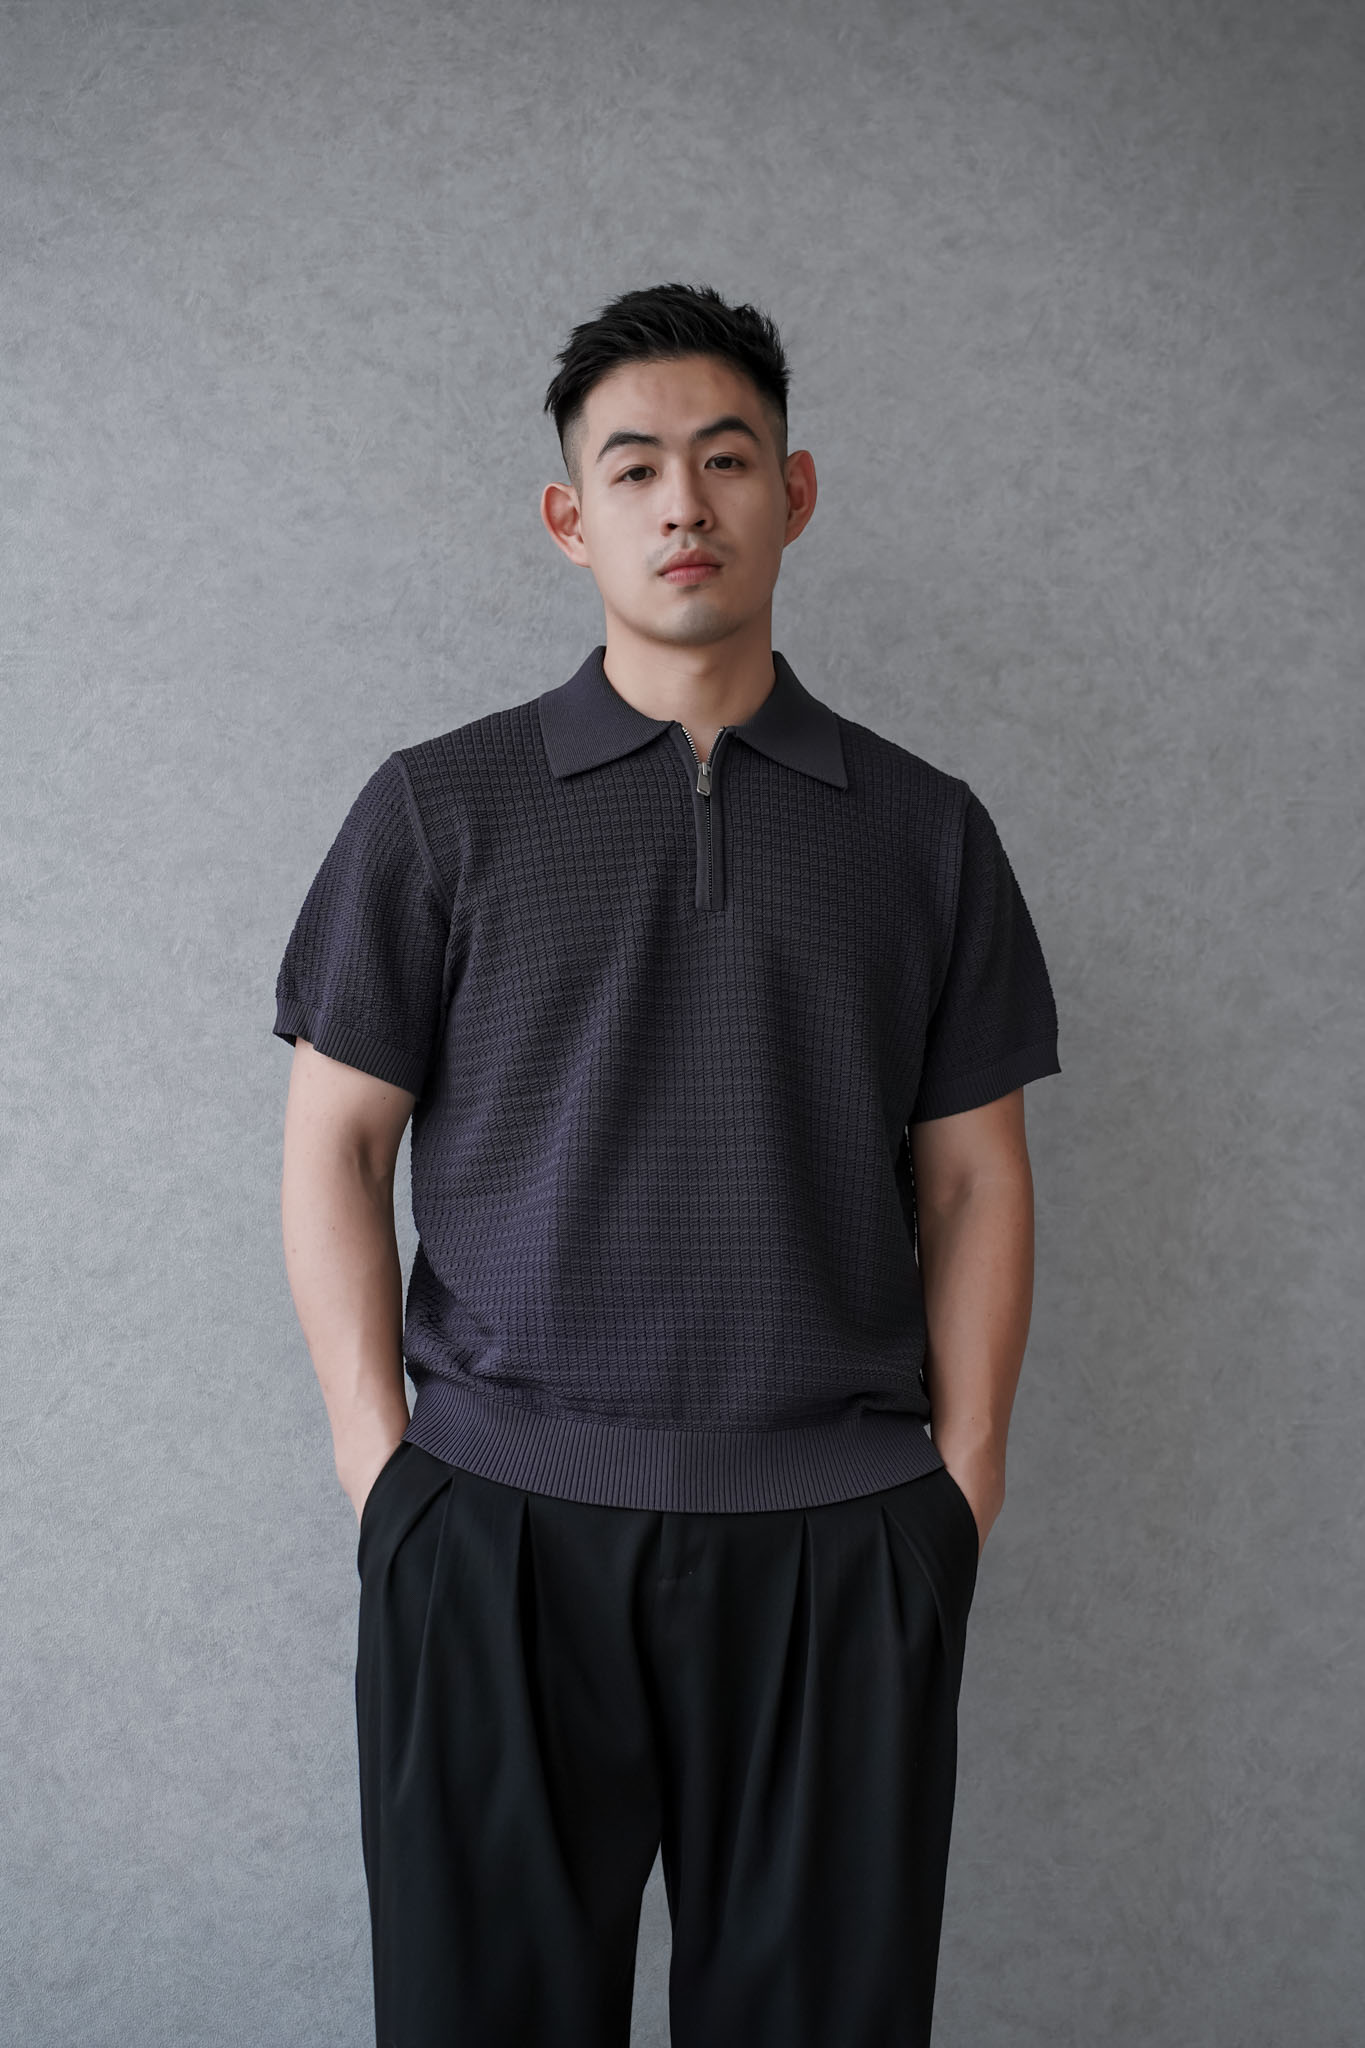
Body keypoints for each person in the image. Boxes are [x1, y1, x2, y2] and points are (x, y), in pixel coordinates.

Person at [273, 280, 1061, 2048]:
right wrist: (382, 1477)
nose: (682, 504)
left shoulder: (925, 833)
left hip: (838, 1543)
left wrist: (959, 1489)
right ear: (573, 519)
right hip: (494, 1530)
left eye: (725, 459)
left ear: (794, 491)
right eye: (634, 469)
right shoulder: (439, 808)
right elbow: (334, 1142)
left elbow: (975, 1182)